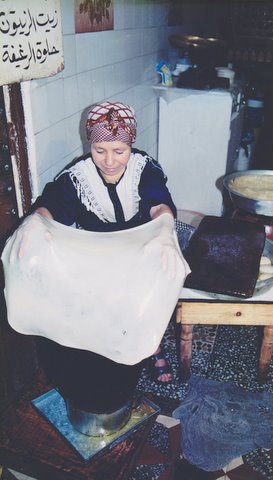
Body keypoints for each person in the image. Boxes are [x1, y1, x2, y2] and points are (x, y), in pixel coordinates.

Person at [32, 101, 188, 384]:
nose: (109, 161)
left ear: (131, 146)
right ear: (88, 144)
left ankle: (153, 345)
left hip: (143, 247)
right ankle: (111, 346)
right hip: (99, 254)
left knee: (151, 292)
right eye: (99, 150)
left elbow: (158, 200)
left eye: (120, 151)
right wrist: (35, 221)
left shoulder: (144, 168)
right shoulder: (77, 177)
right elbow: (51, 204)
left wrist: (165, 227)